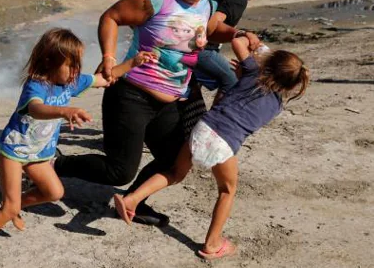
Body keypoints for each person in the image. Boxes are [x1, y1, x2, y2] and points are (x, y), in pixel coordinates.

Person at [54, 0, 261, 227]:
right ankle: (56, 165)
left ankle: (134, 202)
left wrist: (238, 32)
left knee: (174, 160)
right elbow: (111, 17)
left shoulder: (206, 5)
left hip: (171, 99)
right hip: (130, 94)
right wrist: (109, 57)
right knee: (119, 170)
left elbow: (211, 30)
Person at [0, 28, 158, 268]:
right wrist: (65, 111)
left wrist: (133, 63)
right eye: (70, 65)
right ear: (48, 62)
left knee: (54, 193)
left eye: (78, 65)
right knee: (9, 207)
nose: (76, 72)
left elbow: (105, 79)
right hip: (14, 151)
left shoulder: (71, 83)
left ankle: (14, 207)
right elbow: (35, 109)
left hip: (39, 153)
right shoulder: (37, 86)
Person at [114, 41, 308, 260]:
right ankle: (212, 243)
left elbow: (238, 42)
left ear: (268, 63)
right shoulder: (276, 105)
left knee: (175, 173)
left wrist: (255, 46)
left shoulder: (251, 71)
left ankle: (132, 199)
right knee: (227, 191)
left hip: (203, 127)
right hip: (224, 143)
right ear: (292, 85)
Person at [194, 0, 265, 97]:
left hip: (184, 39)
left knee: (194, 87)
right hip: (201, 48)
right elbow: (213, 22)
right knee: (232, 80)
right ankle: (216, 119)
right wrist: (240, 34)